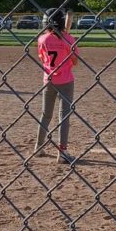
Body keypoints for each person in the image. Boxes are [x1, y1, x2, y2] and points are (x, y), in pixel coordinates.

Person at [34, 8, 79, 164]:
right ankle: (63, 152)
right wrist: (67, 46)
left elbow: (42, 58)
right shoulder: (68, 39)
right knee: (64, 117)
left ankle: (38, 147)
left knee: (45, 115)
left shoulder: (42, 39)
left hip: (48, 80)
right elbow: (75, 61)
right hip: (66, 81)